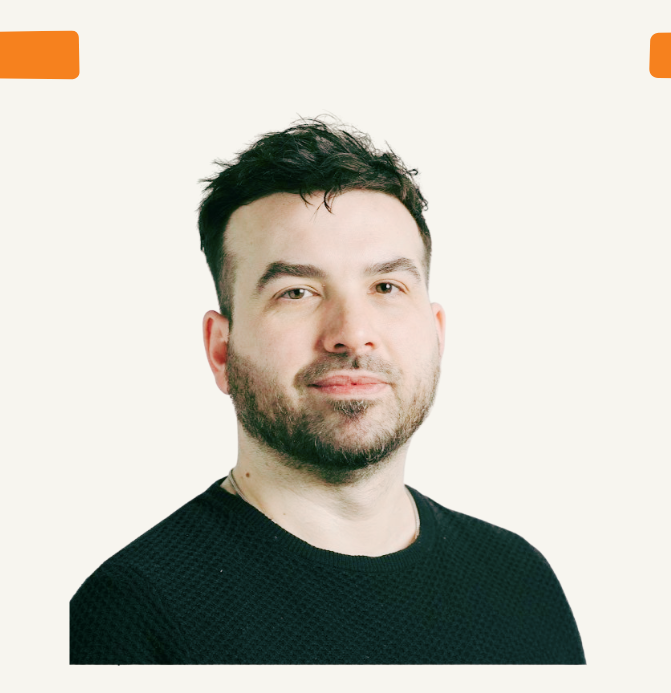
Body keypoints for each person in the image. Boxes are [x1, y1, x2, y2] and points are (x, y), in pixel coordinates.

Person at [69, 118, 585, 664]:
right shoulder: (129, 616)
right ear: (221, 349)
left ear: (436, 334)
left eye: (387, 286)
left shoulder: (520, 582)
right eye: (297, 292)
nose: (351, 333)